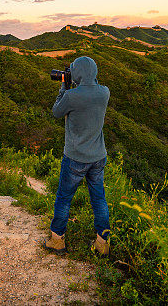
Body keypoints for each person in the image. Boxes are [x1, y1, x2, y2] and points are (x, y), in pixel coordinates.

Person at [44, 55, 111, 256]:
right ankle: (102, 244)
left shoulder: (72, 96)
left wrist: (64, 87)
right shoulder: (104, 93)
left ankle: (57, 241)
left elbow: (56, 112)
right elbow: (92, 88)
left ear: (77, 73)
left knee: (64, 198)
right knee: (99, 199)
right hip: (98, 156)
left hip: (75, 158)